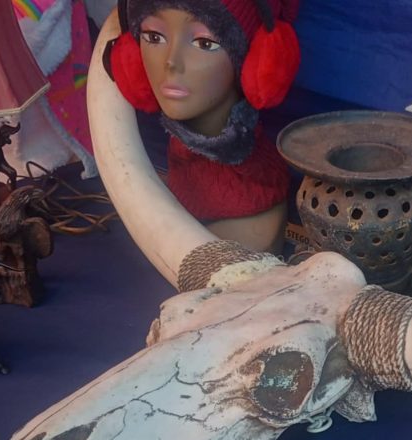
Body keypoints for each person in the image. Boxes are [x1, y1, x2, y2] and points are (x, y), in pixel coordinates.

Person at [106, 0, 300, 252]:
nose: (171, 62)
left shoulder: (256, 213)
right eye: (154, 37)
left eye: (204, 43)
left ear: (260, 62)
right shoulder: (175, 173)